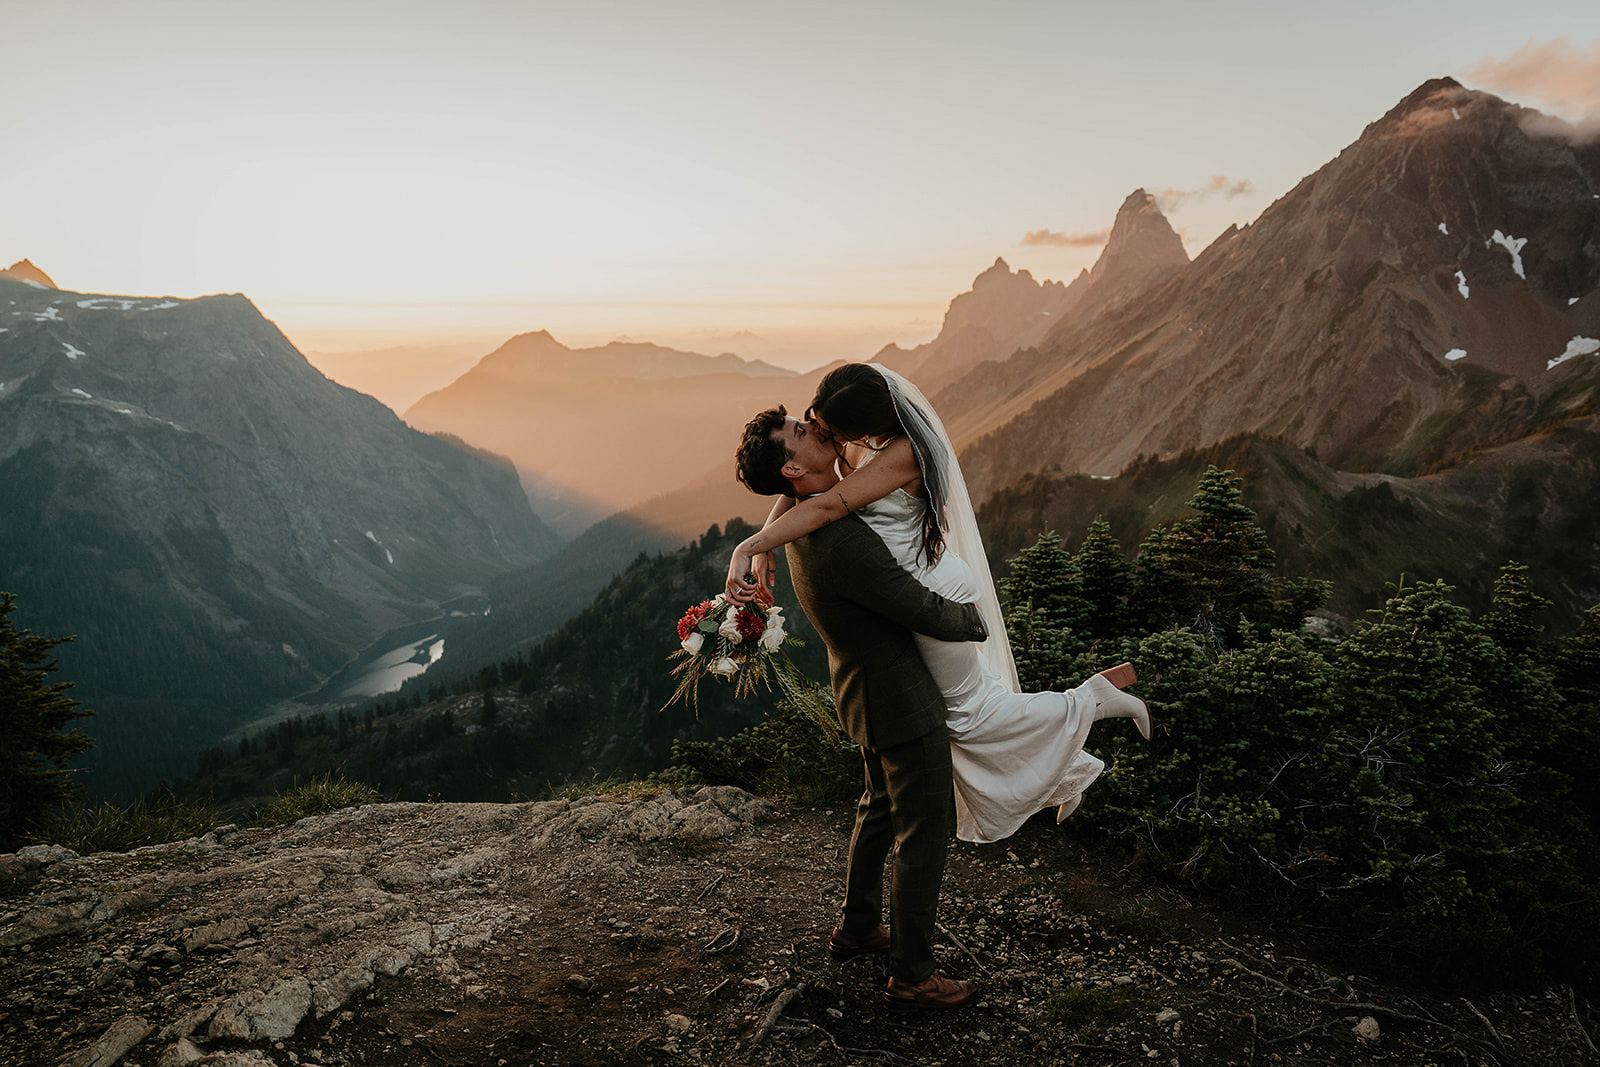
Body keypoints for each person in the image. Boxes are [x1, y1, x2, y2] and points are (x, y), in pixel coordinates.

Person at [729, 363, 1150, 846]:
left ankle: (1093, 699)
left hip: (933, 592)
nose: (819, 431)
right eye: (811, 425)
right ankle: (1067, 775)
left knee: (967, 716)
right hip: (921, 583)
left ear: (860, 424)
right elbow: (804, 486)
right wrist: (763, 536)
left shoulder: (903, 453)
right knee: (979, 701)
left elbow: (823, 504)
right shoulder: (859, 439)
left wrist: (748, 548)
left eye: (823, 426)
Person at [734, 403, 988, 1009]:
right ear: (795, 466)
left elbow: (811, 499)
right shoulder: (838, 538)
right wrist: (975, 620)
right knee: (925, 828)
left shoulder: (801, 518)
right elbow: (913, 604)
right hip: (900, 697)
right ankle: (912, 974)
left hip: (861, 692)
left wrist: (757, 542)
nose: (813, 426)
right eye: (800, 431)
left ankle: (857, 926)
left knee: (877, 809)